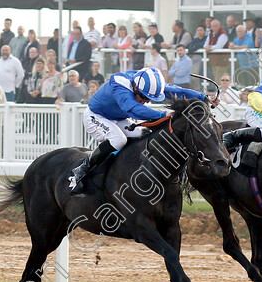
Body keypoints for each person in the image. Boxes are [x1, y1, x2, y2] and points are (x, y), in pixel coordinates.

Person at [69, 67, 211, 193]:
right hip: (96, 116)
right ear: (136, 87)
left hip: (118, 118)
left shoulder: (145, 82)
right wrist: (162, 115)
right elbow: (132, 109)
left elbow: (175, 90)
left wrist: (202, 97)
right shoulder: (120, 85)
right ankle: (82, 170)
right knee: (119, 140)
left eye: (150, 99)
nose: (147, 101)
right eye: (144, 97)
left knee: (145, 135)